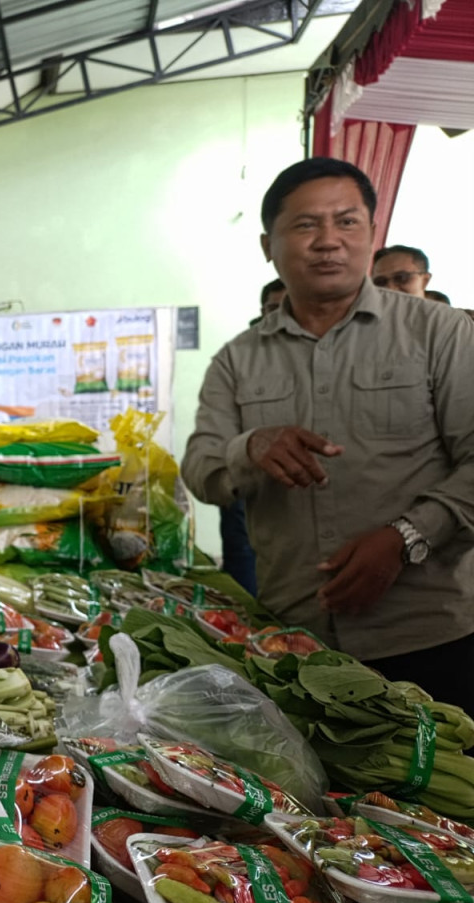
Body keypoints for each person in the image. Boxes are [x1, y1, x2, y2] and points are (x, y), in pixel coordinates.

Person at [183, 157, 474, 714]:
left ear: (372, 234)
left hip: (431, 637)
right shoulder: (237, 360)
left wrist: (405, 537)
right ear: (268, 245)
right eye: (306, 225)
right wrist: (250, 448)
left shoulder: (440, 333)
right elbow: (201, 468)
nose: (328, 241)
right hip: (297, 643)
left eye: (347, 222)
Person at [219, 277, 287, 596]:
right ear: (263, 311)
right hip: (247, 472)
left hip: (300, 478)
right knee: (243, 556)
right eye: (274, 308)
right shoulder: (242, 356)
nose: (282, 315)